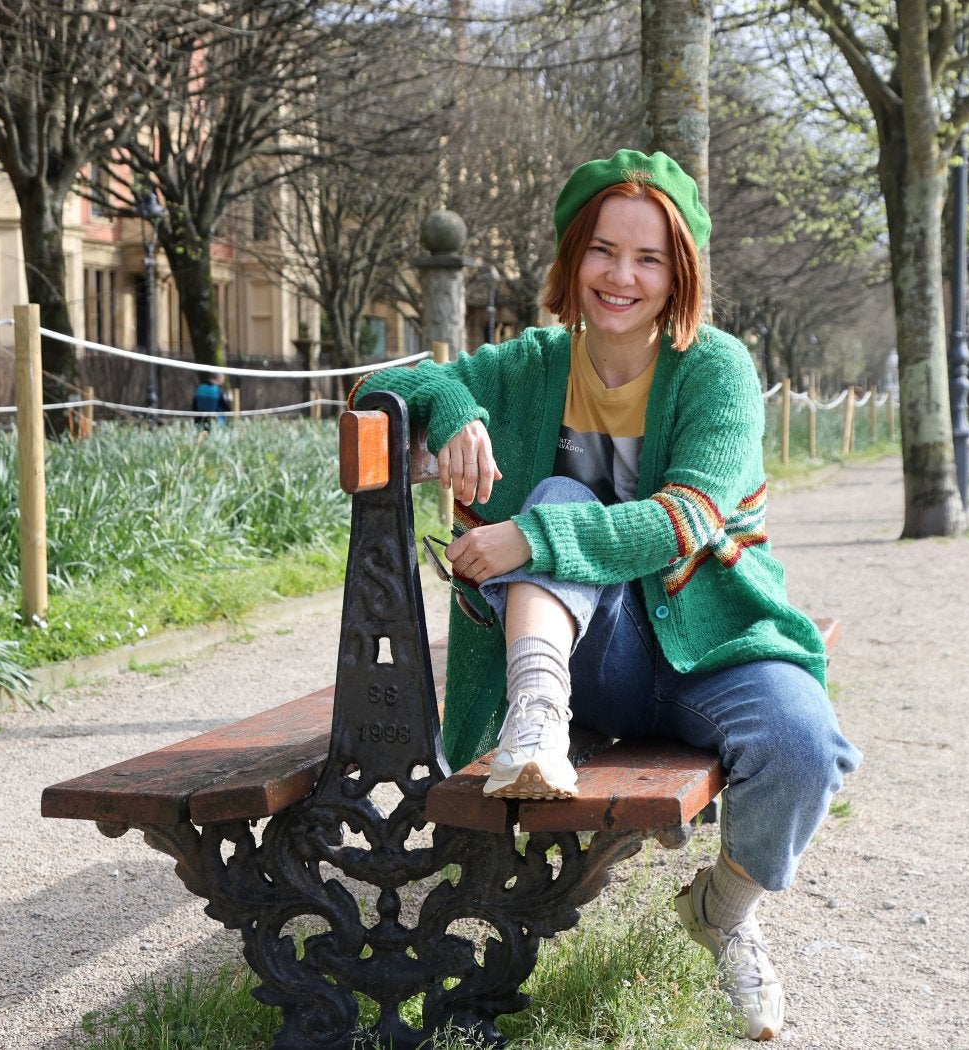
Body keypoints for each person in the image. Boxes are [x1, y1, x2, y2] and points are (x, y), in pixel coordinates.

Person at [349, 150, 861, 1041]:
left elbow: (685, 519)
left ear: (680, 273)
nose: (622, 276)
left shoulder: (718, 370)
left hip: (712, 642)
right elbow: (378, 391)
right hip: (587, 659)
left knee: (804, 746)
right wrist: (452, 409)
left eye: (650, 258)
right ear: (573, 256)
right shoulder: (532, 365)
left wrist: (528, 539)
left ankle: (725, 913)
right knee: (561, 493)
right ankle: (537, 719)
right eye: (603, 250)